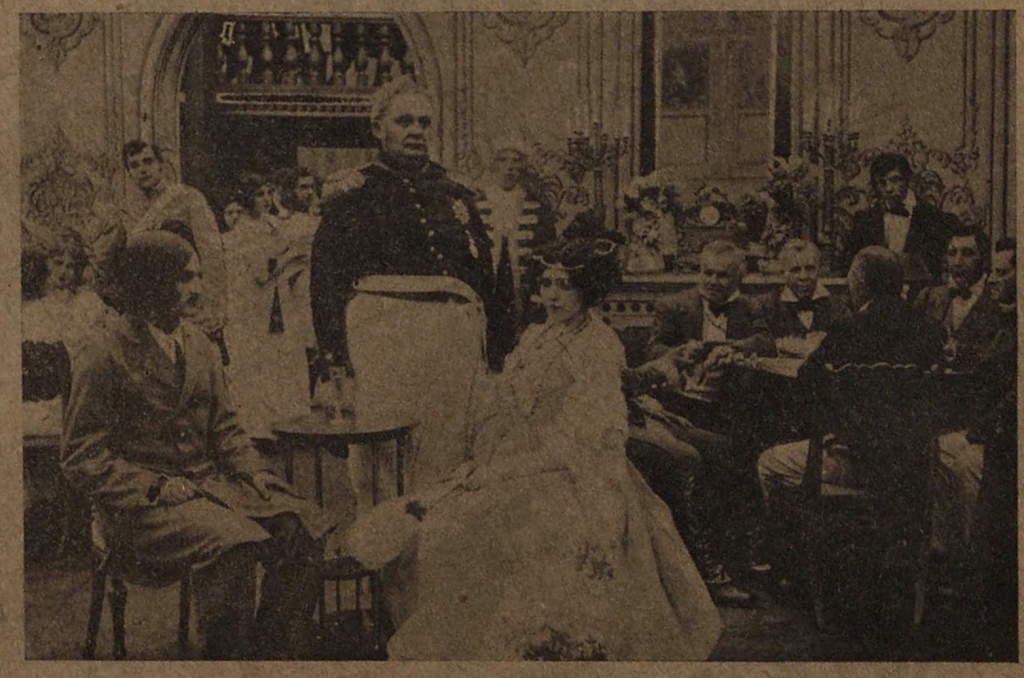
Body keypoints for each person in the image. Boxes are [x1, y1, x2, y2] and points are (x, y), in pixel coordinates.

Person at [342, 223, 722, 661]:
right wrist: (481, 455)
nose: (553, 296)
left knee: (477, 534)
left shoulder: (598, 346)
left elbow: (582, 441)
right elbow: (505, 406)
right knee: (436, 523)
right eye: (547, 284)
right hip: (518, 463)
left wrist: (503, 471)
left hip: (577, 479)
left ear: (588, 290)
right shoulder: (537, 335)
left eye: (566, 286)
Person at [60, 231, 341, 660]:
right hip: (142, 511)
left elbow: (226, 428)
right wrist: (154, 486)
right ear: (152, 283)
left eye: (198, 276)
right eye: (186, 278)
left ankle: (270, 653)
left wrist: (254, 472)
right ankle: (227, 660)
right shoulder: (102, 352)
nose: (198, 288)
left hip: (213, 488)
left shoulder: (201, 344)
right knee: (234, 544)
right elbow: (82, 456)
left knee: (301, 529)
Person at [310, 76, 504, 507]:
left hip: (453, 353)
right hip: (383, 348)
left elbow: (483, 277)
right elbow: (325, 283)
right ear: (378, 128)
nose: (416, 130)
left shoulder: (455, 193)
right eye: (404, 121)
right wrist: (335, 363)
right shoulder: (352, 193)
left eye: (424, 122)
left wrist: (494, 353)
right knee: (385, 463)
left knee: (449, 459)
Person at [758, 246, 945, 511]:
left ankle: (805, 534)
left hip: (857, 466)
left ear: (859, 284)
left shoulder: (846, 331)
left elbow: (806, 388)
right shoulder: (931, 329)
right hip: (917, 467)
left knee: (768, 463)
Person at [98, 141, 229, 357]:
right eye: (134, 165)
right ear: (128, 173)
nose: (143, 169)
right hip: (149, 305)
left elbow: (212, 255)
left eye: (148, 161)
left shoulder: (187, 198)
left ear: (161, 165)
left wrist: (213, 308)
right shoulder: (126, 210)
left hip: (186, 298)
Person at [221, 174, 312, 439]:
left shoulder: (269, 223)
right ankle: (260, 428)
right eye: (259, 194)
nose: (266, 199)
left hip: (276, 299)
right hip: (253, 303)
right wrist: (291, 257)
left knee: (282, 357)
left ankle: (287, 421)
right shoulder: (244, 230)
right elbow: (262, 273)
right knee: (258, 363)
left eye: (268, 193)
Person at [475, 136, 558, 364]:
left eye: (515, 161)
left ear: (523, 166)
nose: (509, 167)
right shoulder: (477, 202)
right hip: (489, 284)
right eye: (503, 160)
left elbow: (547, 252)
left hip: (523, 286)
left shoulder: (537, 205)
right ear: (494, 165)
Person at [842, 152, 960, 287]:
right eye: (882, 182)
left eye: (895, 180)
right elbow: (848, 265)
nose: (888, 188)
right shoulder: (864, 221)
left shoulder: (938, 219)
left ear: (907, 180)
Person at [917, 227, 1001, 372]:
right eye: (952, 253)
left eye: (967, 254)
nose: (957, 261)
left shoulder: (996, 300)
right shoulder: (929, 297)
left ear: (985, 259)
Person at [757, 239, 851, 344]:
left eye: (810, 268)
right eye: (795, 270)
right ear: (784, 273)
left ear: (819, 270)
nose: (803, 276)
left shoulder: (837, 306)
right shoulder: (768, 306)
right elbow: (761, 341)